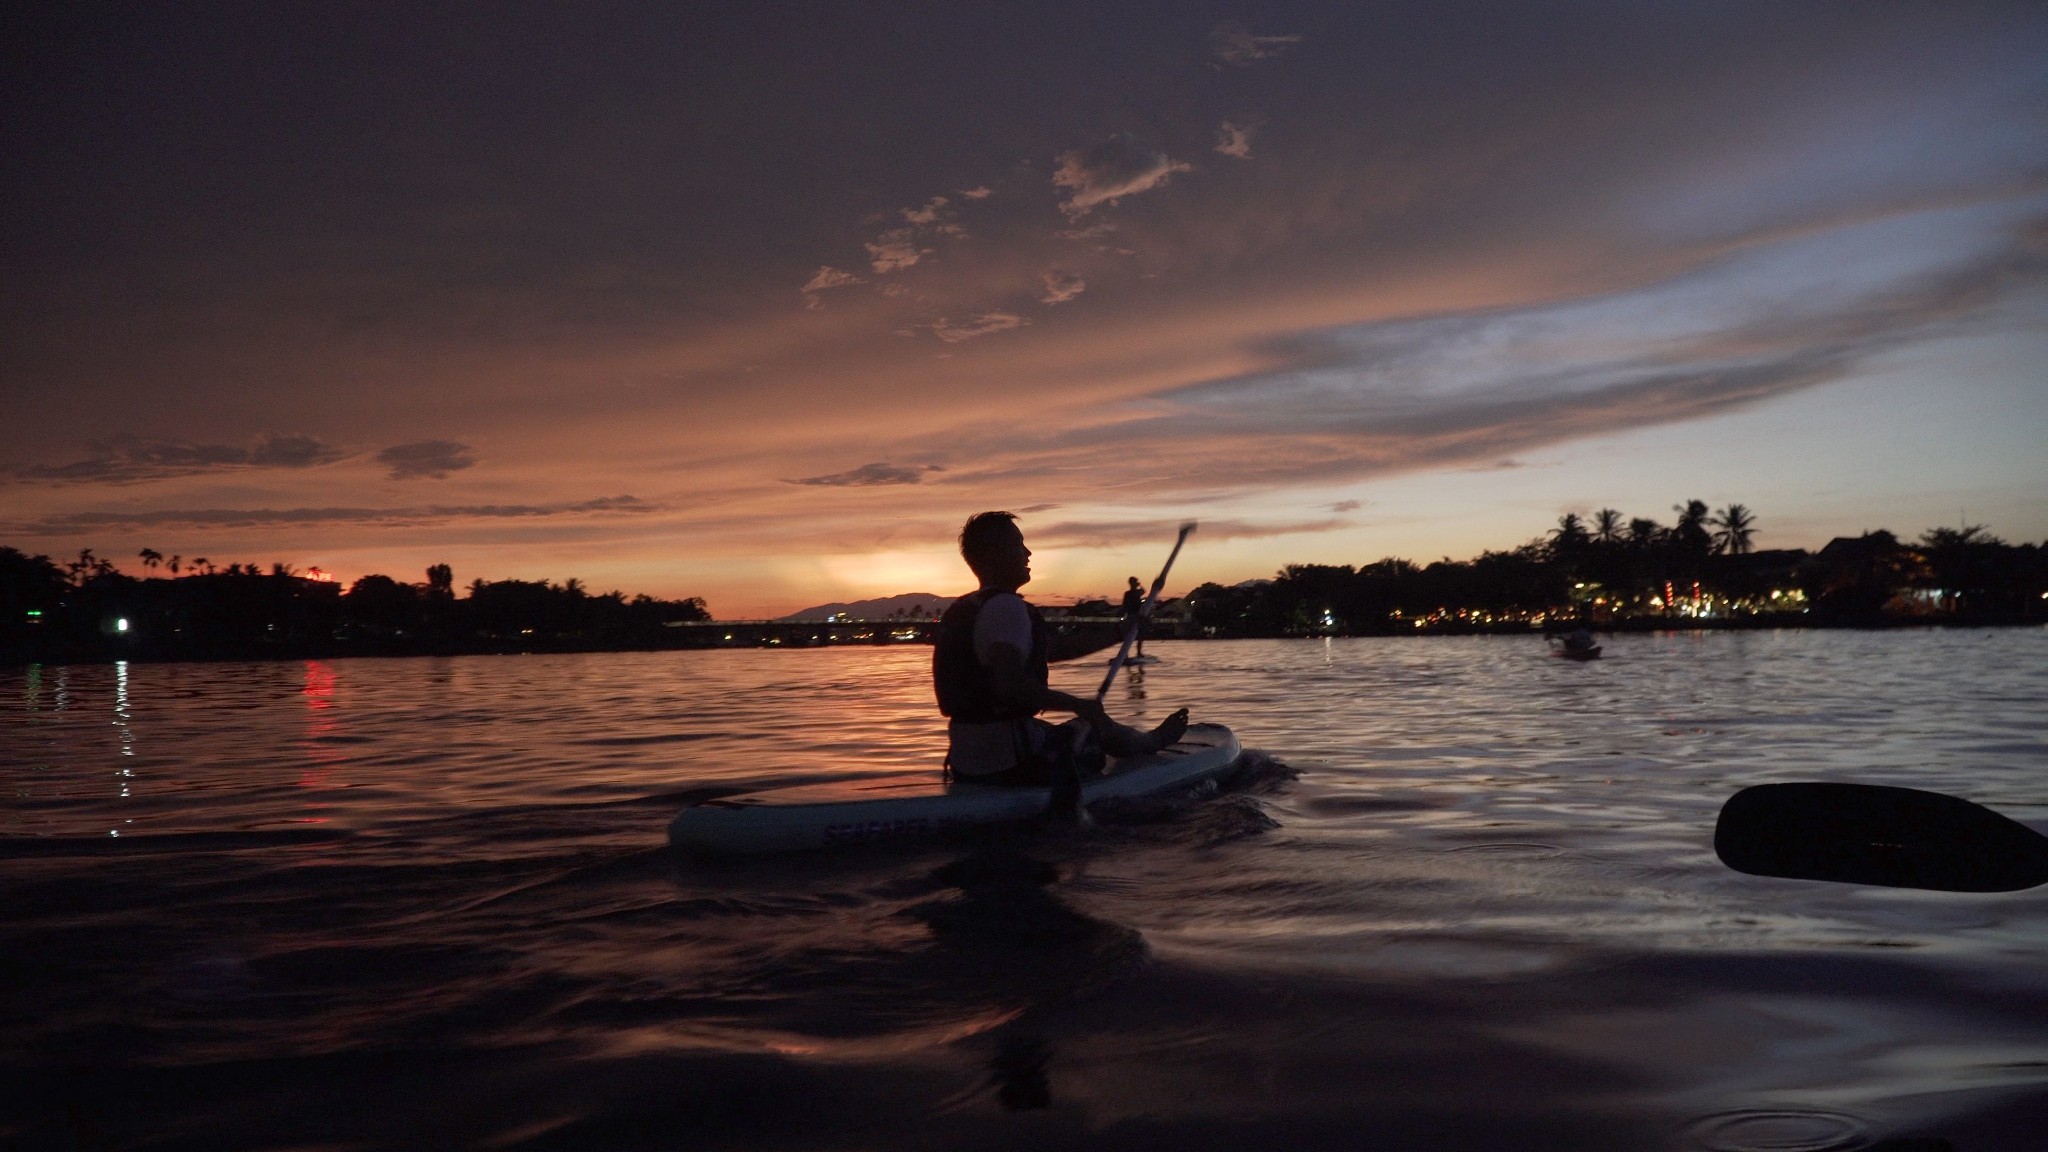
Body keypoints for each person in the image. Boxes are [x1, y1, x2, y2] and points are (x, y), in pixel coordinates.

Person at [935, 512, 1189, 795]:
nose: (1028, 553)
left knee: (1066, 724)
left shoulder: (966, 609)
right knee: (1093, 726)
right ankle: (1147, 744)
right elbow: (1009, 687)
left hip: (967, 761)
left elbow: (1053, 650)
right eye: (1019, 545)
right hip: (1011, 763)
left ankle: (1140, 739)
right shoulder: (1006, 607)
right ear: (996, 554)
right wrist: (1078, 704)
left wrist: (1119, 633)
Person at [1120, 576, 1146, 659]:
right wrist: (1140, 585)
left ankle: (1137, 653)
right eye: (1136, 582)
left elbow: (1143, 591)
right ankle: (1128, 654)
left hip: (1135, 616)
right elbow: (1143, 590)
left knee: (1139, 635)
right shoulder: (1131, 593)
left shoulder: (1131, 593)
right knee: (1131, 635)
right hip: (1132, 616)